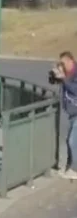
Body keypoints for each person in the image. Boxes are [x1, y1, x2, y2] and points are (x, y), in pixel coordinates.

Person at [52, 51, 77, 179]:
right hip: (72, 113)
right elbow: (54, 83)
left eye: (63, 63)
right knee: (70, 140)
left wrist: (64, 79)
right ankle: (69, 166)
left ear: (70, 61)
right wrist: (56, 76)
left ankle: (74, 169)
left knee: (72, 140)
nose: (61, 65)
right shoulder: (67, 74)